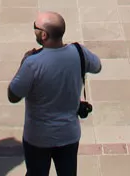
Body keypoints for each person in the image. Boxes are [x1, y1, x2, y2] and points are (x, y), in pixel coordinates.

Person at [8, 11, 102, 176]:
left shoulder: (32, 63)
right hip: (69, 134)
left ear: (43, 35)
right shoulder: (79, 52)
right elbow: (97, 66)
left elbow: (13, 96)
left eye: (35, 27)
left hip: (38, 137)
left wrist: (23, 63)